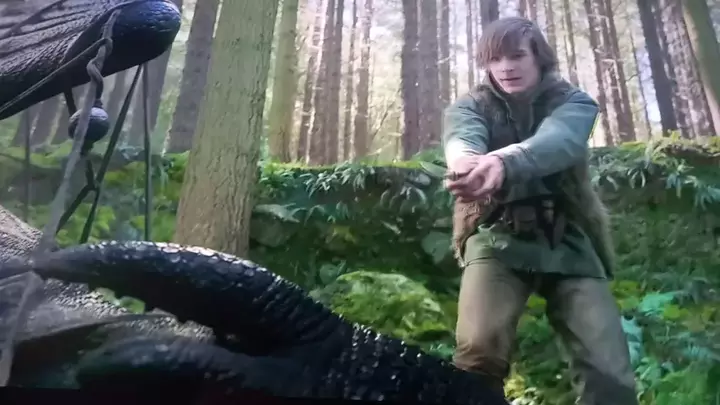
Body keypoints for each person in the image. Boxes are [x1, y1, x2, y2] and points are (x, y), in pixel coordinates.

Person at [441, 16, 639, 405]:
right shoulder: (470, 105)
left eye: (516, 55)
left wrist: (503, 163)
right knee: (477, 355)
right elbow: (462, 137)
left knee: (609, 371)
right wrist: (465, 164)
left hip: (567, 236)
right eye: (495, 59)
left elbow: (559, 140)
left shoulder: (575, 102)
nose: (506, 67)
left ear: (538, 57)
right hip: (496, 234)